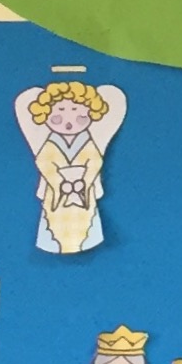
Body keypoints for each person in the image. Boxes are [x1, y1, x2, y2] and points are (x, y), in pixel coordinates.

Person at [15, 80, 123, 253]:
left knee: (86, 221)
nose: (68, 122)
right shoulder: (49, 145)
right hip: (57, 193)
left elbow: (94, 161)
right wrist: (60, 183)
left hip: (82, 191)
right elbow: (44, 162)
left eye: (76, 112)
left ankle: (84, 239)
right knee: (54, 222)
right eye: (59, 113)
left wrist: (83, 182)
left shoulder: (88, 143)